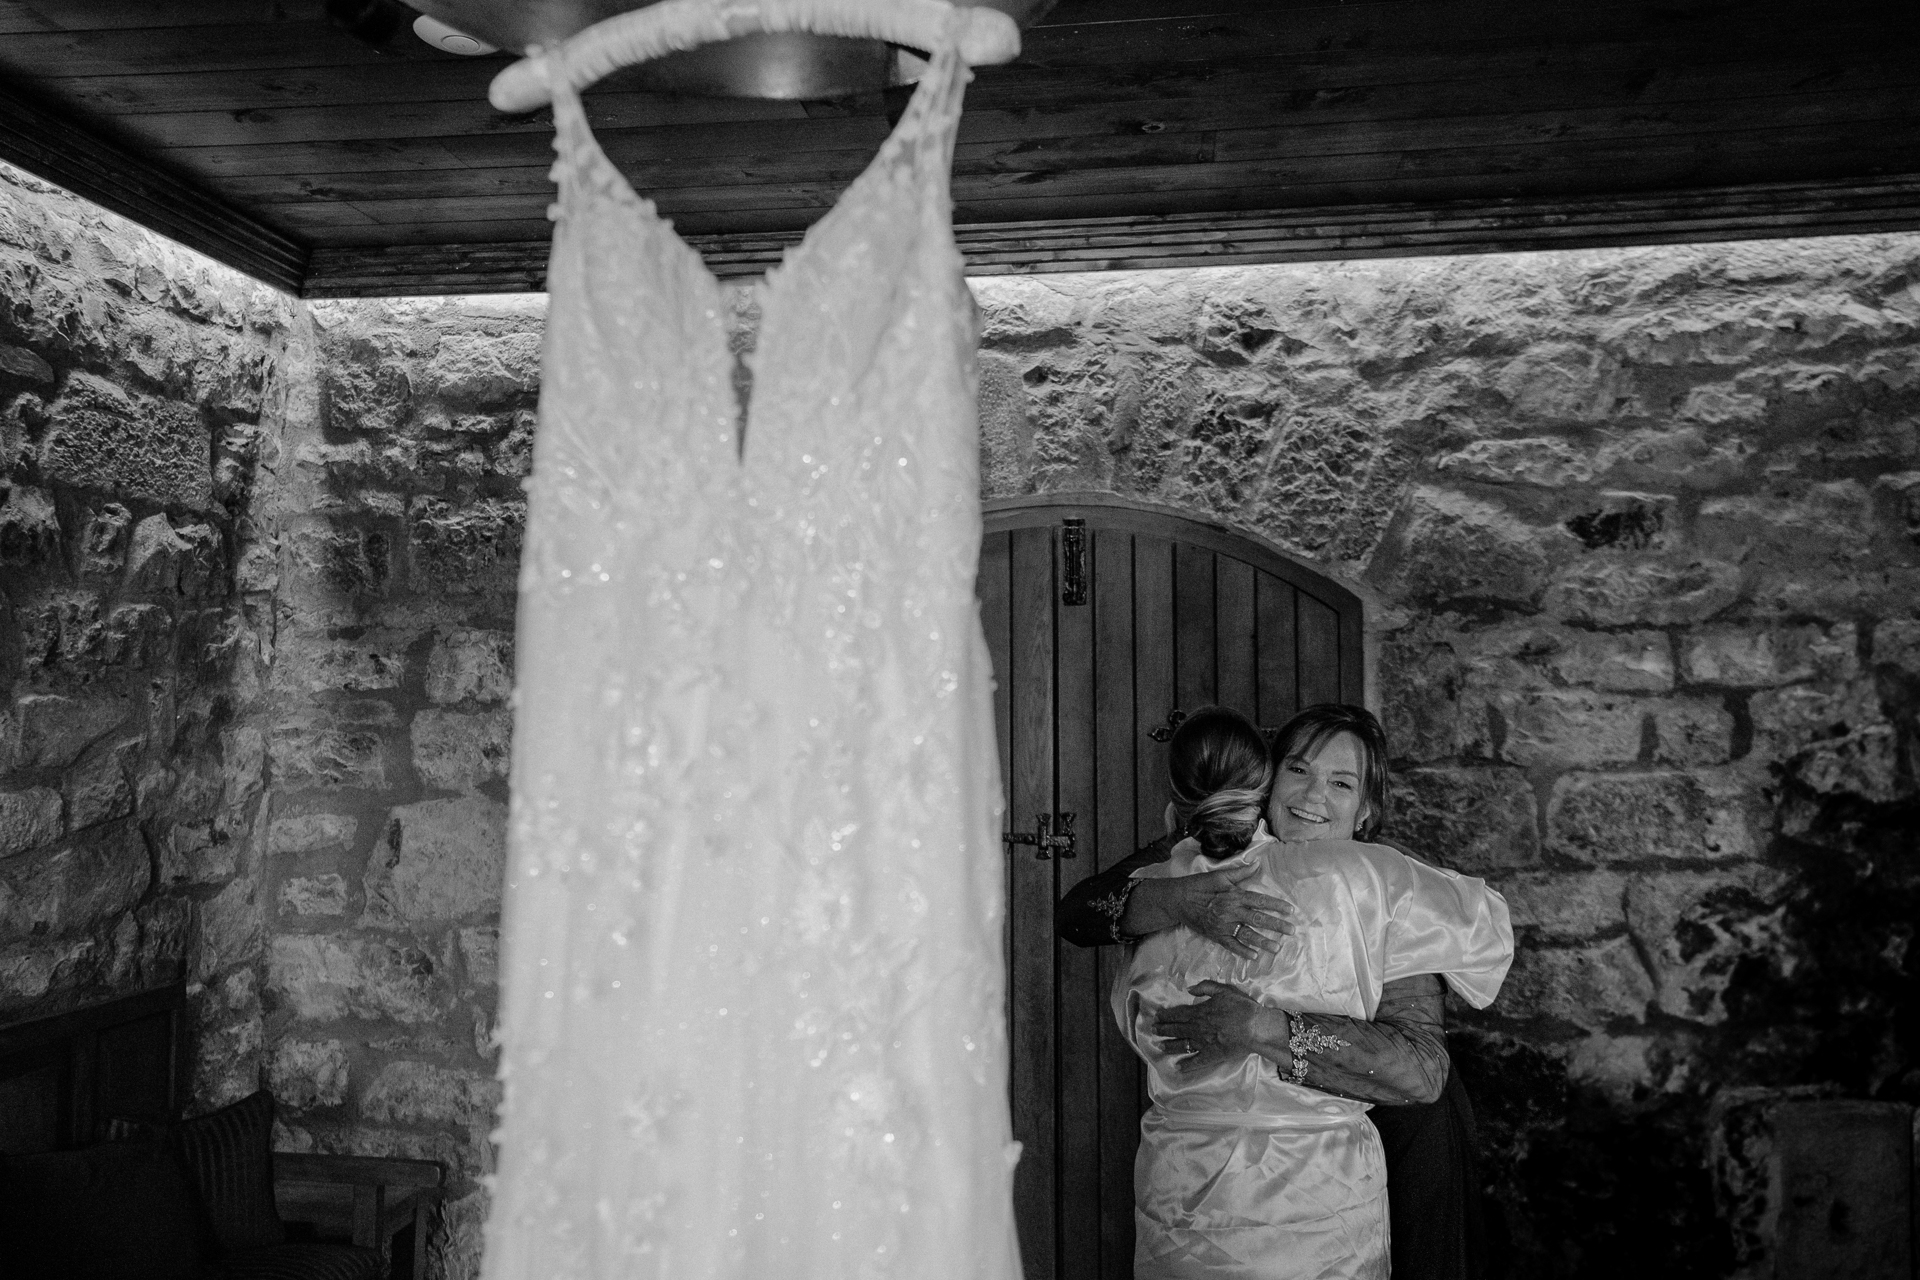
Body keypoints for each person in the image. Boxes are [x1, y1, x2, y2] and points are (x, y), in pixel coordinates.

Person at [1085, 704, 1512, 1279]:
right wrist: (1190, 900)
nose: (1314, 795)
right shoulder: (1193, 860)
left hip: (1389, 1141)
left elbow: (1421, 1071)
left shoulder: (1377, 885)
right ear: (1266, 780)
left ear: (1365, 811)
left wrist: (1261, 1028)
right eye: (1299, 770)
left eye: (1342, 782)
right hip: (1194, 1180)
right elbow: (1079, 911)